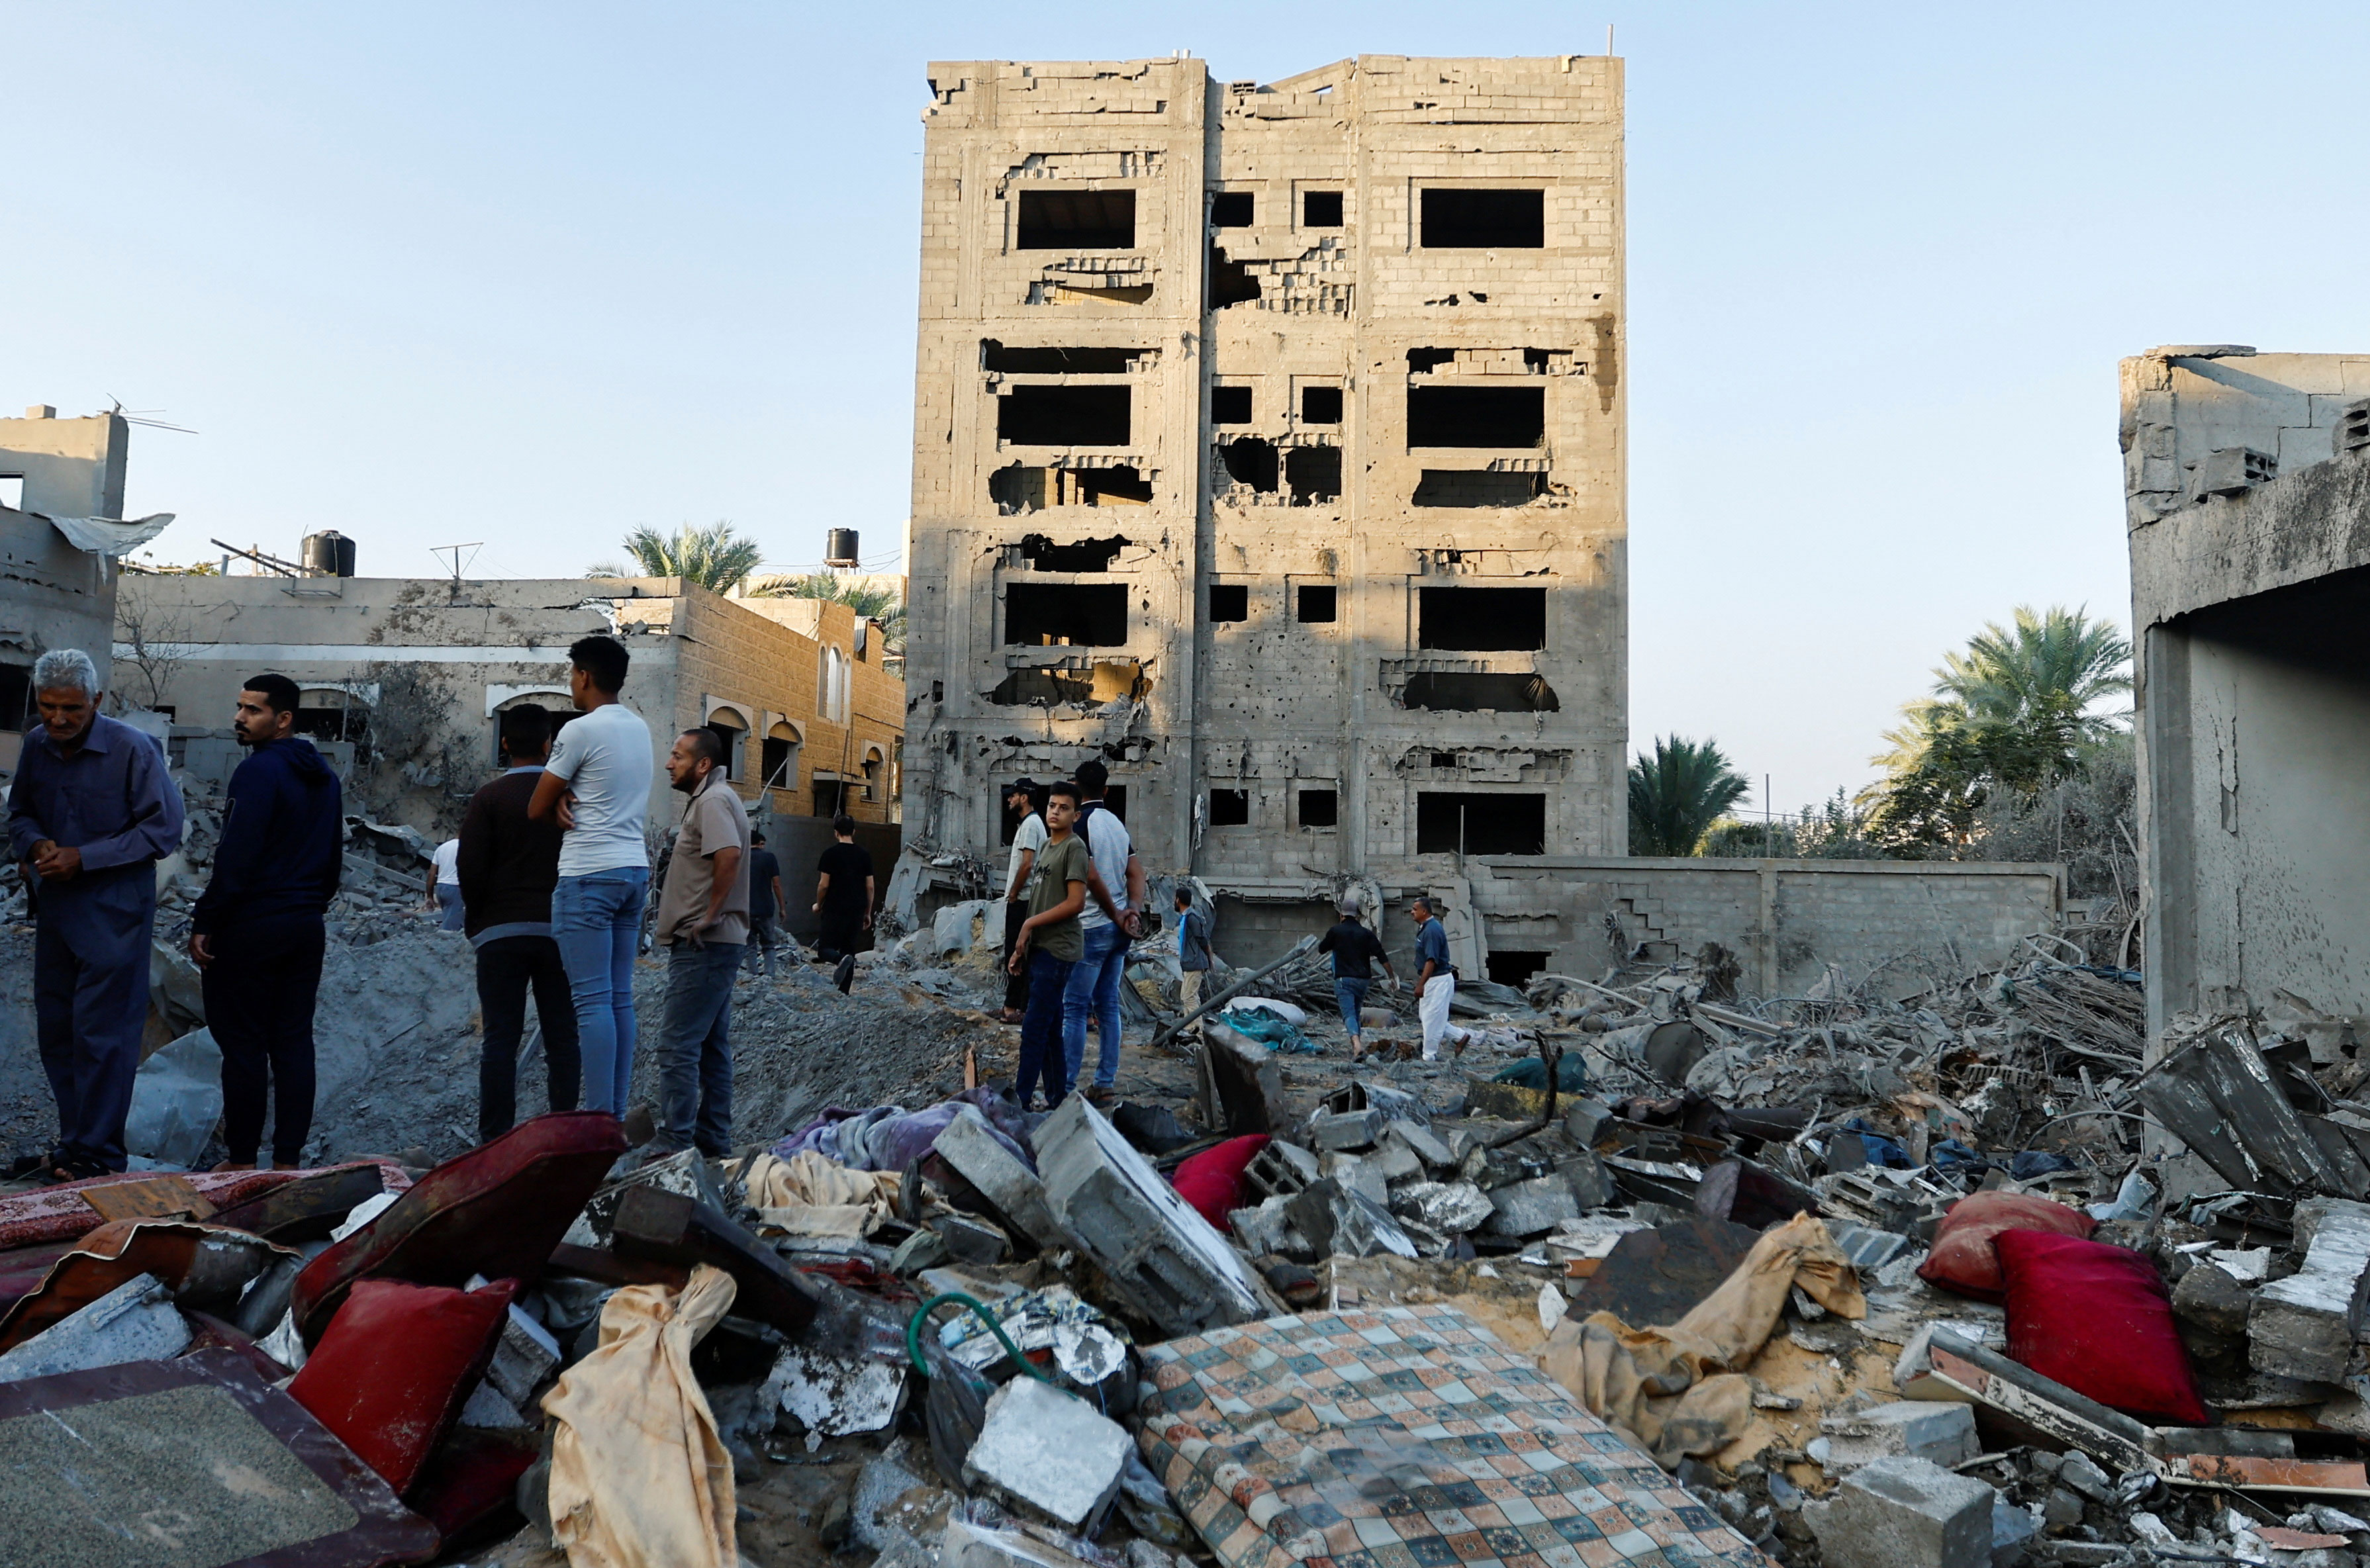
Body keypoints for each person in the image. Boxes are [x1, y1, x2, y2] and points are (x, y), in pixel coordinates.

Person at [5, 648, 184, 1180]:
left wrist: (84, 857)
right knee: (59, 1032)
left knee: (103, 1037)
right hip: (58, 913)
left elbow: (163, 831)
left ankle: (99, 1155)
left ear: (97, 701)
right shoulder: (37, 746)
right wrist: (35, 845)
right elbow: (20, 813)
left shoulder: (132, 749)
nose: (58, 719)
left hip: (115, 915)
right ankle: (74, 1145)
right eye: (48, 707)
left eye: (72, 710)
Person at [192, 673, 343, 1171]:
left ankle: (240, 1161)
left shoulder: (257, 772)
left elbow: (236, 856)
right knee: (294, 1040)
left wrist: (207, 919)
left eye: (252, 710)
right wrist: (307, 906)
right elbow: (333, 861)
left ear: (283, 720)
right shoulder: (324, 776)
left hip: (253, 925)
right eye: (239, 707)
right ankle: (287, 1161)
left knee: (244, 1047)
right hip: (304, 924)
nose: (239, 717)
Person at [530, 635, 653, 1117]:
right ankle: (615, 1117)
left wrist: (558, 796)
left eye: (572, 675)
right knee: (620, 997)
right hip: (632, 870)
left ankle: (598, 1117)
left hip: (588, 874)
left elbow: (537, 805)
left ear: (583, 676)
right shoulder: (639, 728)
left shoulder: (578, 731)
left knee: (592, 1002)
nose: (571, 684)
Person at [457, 703, 581, 1141]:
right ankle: (564, 1132)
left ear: (504, 743)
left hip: (499, 934)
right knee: (562, 1037)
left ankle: (494, 1139)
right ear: (550, 745)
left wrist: (480, 921)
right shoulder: (565, 797)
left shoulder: (488, 798)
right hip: (558, 933)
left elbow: (469, 868)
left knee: (499, 1043)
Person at [649, 729, 749, 1157]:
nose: (669, 763)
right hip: (715, 945)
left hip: (704, 945)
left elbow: (728, 854)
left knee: (677, 1045)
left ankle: (675, 1142)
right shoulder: (713, 798)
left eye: (678, 755)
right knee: (710, 1048)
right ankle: (712, 1143)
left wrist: (709, 916)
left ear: (702, 764)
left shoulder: (711, 801)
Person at [1062, 758, 1146, 1105]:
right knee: (1108, 1005)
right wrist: (1132, 913)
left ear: (1076, 789)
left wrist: (1114, 913)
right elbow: (1137, 874)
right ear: (1107, 790)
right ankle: (1104, 1081)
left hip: (1093, 927)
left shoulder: (1081, 825)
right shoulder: (1115, 824)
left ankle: (1065, 1088)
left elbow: (1092, 877)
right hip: (1119, 930)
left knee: (1074, 1008)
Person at [1006, 780, 1088, 1110]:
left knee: (1034, 1030)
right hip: (1040, 949)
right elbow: (1041, 899)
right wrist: (1021, 946)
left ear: (1076, 815)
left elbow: (1076, 903)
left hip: (1059, 952)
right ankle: (1057, 1099)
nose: (1056, 812)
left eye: (1064, 808)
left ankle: (1020, 1103)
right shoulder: (1046, 847)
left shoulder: (1074, 848)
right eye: (1053, 806)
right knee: (1051, 1030)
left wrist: (1027, 925)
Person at [1317, 897, 1398, 1062]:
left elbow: (1321, 949)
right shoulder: (1366, 934)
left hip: (1344, 980)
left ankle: (1357, 1045)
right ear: (1357, 915)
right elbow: (1382, 957)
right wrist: (1392, 977)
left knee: (1348, 1014)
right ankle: (1357, 1046)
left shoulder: (1336, 932)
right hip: (1362, 981)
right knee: (1355, 1012)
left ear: (1342, 914)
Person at [996, 779, 1045, 1025]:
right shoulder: (1031, 824)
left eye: (1012, 795)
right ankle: (1010, 1006)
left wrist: (1013, 894)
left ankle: (1020, 1009)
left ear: (1024, 798)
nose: (1009, 800)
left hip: (1023, 901)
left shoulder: (1030, 825)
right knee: (1014, 954)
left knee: (1019, 955)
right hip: (1024, 900)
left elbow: (1027, 864)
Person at [812, 814, 873, 993]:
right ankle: (844, 992)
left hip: (834, 907)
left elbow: (823, 885)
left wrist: (818, 904)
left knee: (824, 950)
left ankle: (839, 960)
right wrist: (867, 912)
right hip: (856, 909)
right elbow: (870, 887)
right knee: (849, 950)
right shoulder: (864, 855)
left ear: (835, 833)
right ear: (854, 831)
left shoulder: (830, 854)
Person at [1409, 896, 1472, 1063]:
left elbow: (1432, 960)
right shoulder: (1426, 928)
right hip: (1434, 980)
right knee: (1428, 1017)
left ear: (1424, 911)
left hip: (1437, 980)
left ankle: (1428, 1056)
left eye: (1415, 909)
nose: (1412, 912)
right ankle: (1460, 1036)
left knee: (1431, 1019)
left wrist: (1421, 985)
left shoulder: (1431, 930)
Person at [743, 829, 783, 979]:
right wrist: (782, 908)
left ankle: (752, 974)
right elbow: (777, 885)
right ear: (759, 842)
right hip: (766, 908)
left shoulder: (741, 858)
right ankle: (769, 974)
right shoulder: (769, 858)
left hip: (746, 909)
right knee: (769, 945)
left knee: (750, 945)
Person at [1174, 887, 1211, 1018]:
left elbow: (1203, 940)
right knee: (1188, 997)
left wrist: (1209, 960)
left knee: (1188, 998)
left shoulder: (1192, 918)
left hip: (1194, 963)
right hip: (1189, 963)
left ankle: (1198, 1031)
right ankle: (1190, 1029)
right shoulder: (1185, 918)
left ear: (1178, 900)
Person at [430, 837, 464, 930]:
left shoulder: (441, 848)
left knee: (450, 917)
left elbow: (431, 874)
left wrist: (430, 897)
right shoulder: (465, 847)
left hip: (441, 888)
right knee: (451, 927)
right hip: (454, 888)